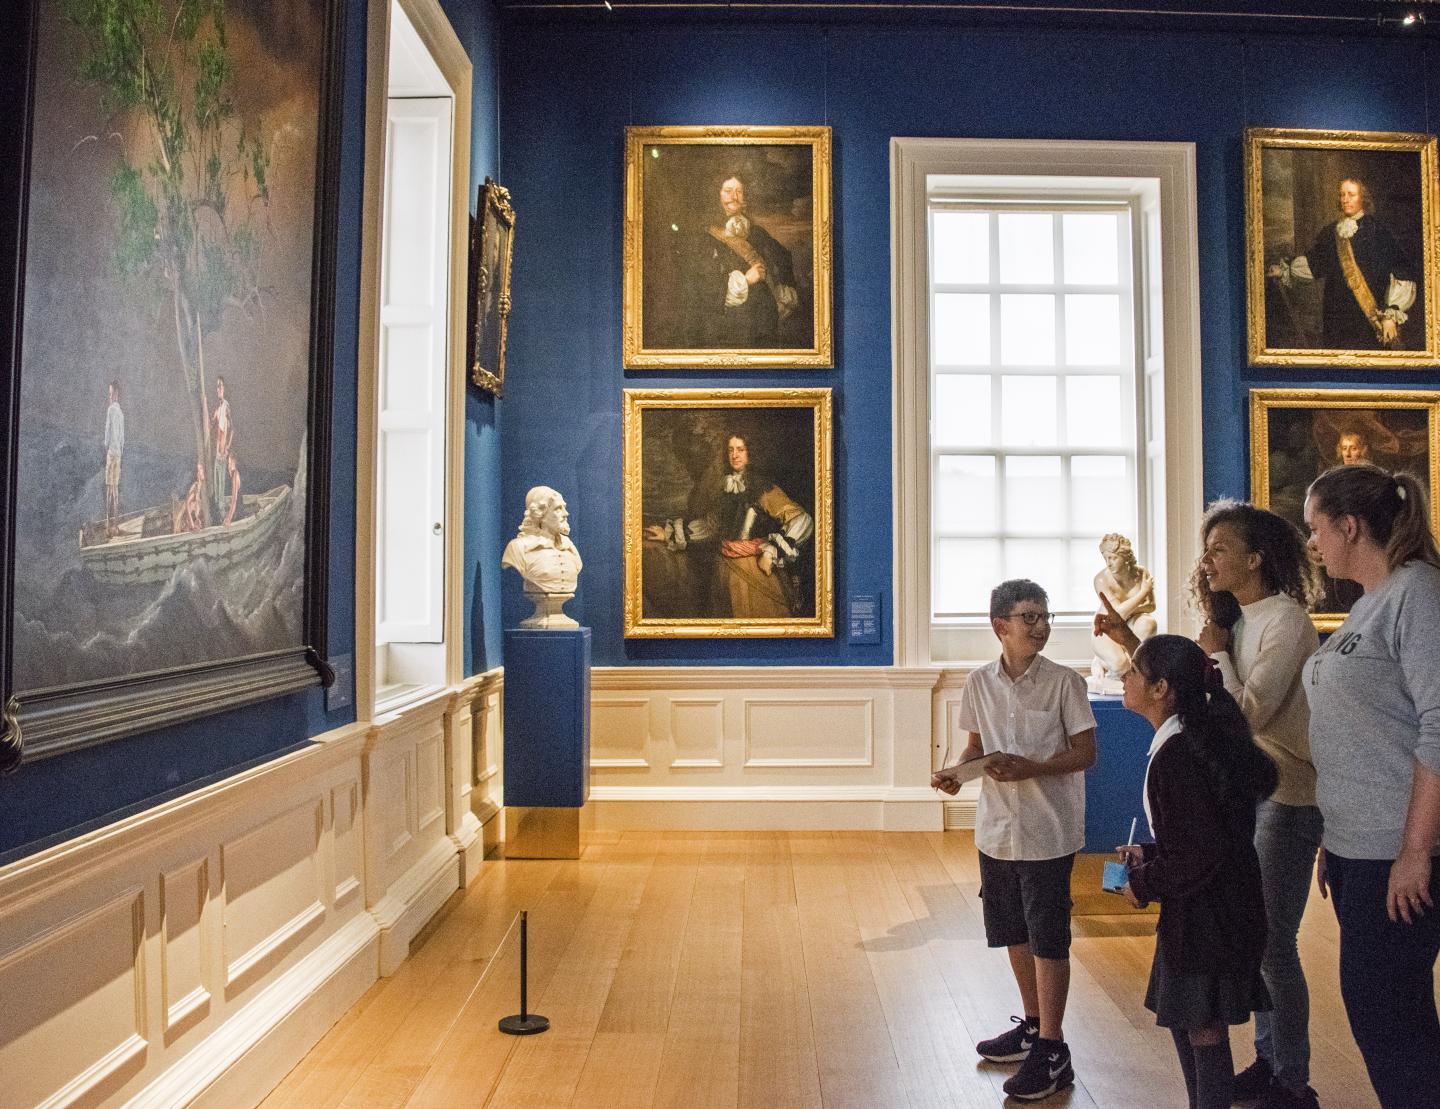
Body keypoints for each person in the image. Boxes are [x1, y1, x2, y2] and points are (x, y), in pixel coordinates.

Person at [1301, 462, 1440, 1109]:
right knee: (1385, 1015)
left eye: (1316, 529)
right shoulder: (1369, 604)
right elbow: (1363, 735)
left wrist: (1415, 849)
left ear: (1349, 526)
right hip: (1361, 849)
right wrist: (1335, 835)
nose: (1313, 544)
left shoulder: (1418, 591)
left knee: (1390, 1018)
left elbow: (1439, 723)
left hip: (1401, 852)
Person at [932, 579, 1097, 1102]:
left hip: (1049, 830)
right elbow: (978, 746)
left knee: (1049, 936)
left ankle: (1054, 1047)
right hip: (997, 831)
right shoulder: (979, 681)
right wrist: (958, 772)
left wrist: (1033, 769)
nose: (1042, 625)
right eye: (1029, 617)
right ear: (1000, 626)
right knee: (1012, 930)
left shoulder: (1065, 682)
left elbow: (1085, 753)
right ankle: (1032, 1025)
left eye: (1045, 616)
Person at [1116, 635, 1276, 1109]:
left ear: (1161, 687)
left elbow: (1201, 851)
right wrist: (1150, 852)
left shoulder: (1179, 753)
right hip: (1210, 911)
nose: (1124, 679)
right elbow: (1199, 834)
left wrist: (1142, 883)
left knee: (1204, 1030)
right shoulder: (1185, 743)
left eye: (1133, 672)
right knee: (1193, 1024)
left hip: (1209, 917)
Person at [645, 433, 813, 619]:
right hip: (723, 571)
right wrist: (668, 534)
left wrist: (771, 552)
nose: (735, 455)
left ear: (750, 454)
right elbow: (710, 526)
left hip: (753, 571)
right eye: (730, 450)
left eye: (740, 449)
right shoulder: (724, 487)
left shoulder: (763, 488)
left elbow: (801, 519)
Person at [1267, 178, 1418, 351]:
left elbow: (1401, 270)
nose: (1345, 199)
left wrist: (1391, 314)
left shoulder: (1378, 231)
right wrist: (1283, 270)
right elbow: (1315, 263)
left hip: (1369, 315)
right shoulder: (1331, 232)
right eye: (1342, 195)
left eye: (1351, 194)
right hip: (1336, 314)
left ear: (1363, 199)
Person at [675, 173, 800, 349]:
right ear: (717, 195)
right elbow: (701, 286)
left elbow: (783, 256)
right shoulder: (703, 237)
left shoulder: (756, 232)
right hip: (730, 329)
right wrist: (746, 280)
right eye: (728, 191)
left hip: (765, 325)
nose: (734, 197)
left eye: (739, 191)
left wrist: (784, 289)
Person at [1090, 533, 1156, 680]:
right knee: (1121, 667)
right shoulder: (1101, 579)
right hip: (1106, 629)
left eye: (1113, 558)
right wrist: (1142, 593)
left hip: (1131, 625)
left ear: (1125, 557)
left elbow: (1151, 606)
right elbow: (1116, 616)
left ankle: (1126, 667)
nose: (1108, 563)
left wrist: (1129, 611)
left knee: (1148, 623)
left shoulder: (1141, 573)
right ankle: (1101, 661)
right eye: (1106, 558)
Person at [501, 485, 583, 595]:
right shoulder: (519, 548)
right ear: (540, 514)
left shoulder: (570, 548)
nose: (565, 514)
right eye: (558, 509)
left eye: (564, 508)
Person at [103, 380, 124, 535]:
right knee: (116, 490)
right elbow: (123, 437)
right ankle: (116, 524)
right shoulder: (121, 413)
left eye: (110, 393)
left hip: (111, 452)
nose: (109, 396)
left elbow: (107, 432)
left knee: (109, 489)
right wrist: (120, 450)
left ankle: (108, 523)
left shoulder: (111, 410)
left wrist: (106, 445)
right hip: (119, 454)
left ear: (115, 394)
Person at [211, 375, 233, 516]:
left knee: (221, 485)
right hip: (216, 454)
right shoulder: (217, 409)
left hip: (223, 453)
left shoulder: (226, 406)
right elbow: (211, 425)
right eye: (217, 386)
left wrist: (227, 448)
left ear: (224, 389)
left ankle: (223, 514)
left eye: (220, 386)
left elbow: (232, 429)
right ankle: (217, 513)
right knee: (216, 484)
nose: (218, 389)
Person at [221, 452, 243, 526]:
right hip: (236, 509)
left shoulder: (235, 475)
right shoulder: (232, 474)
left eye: (229, 461)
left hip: (238, 511)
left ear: (233, 462)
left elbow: (234, 499)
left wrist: (229, 518)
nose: (228, 464)